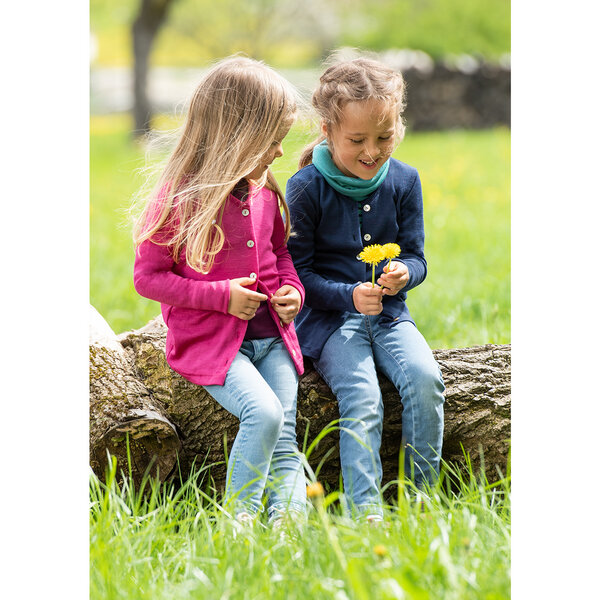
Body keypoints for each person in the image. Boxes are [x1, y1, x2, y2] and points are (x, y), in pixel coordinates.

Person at [132, 56, 307, 526]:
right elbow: (147, 278)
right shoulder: (178, 199)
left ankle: (291, 531)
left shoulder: (264, 192)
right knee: (265, 414)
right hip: (212, 344)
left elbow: (280, 255)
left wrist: (292, 292)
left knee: (286, 432)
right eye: (271, 142)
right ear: (238, 136)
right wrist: (222, 297)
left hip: (272, 336)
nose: (278, 154)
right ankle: (241, 523)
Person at [286, 57, 445, 522]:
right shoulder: (305, 188)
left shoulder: (404, 180)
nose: (372, 151)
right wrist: (349, 296)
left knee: (426, 381)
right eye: (357, 140)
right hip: (331, 323)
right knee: (363, 396)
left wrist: (404, 273)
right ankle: (365, 512)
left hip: (391, 316)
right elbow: (297, 275)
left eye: (385, 137)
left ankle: (419, 501)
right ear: (328, 130)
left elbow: (418, 257)